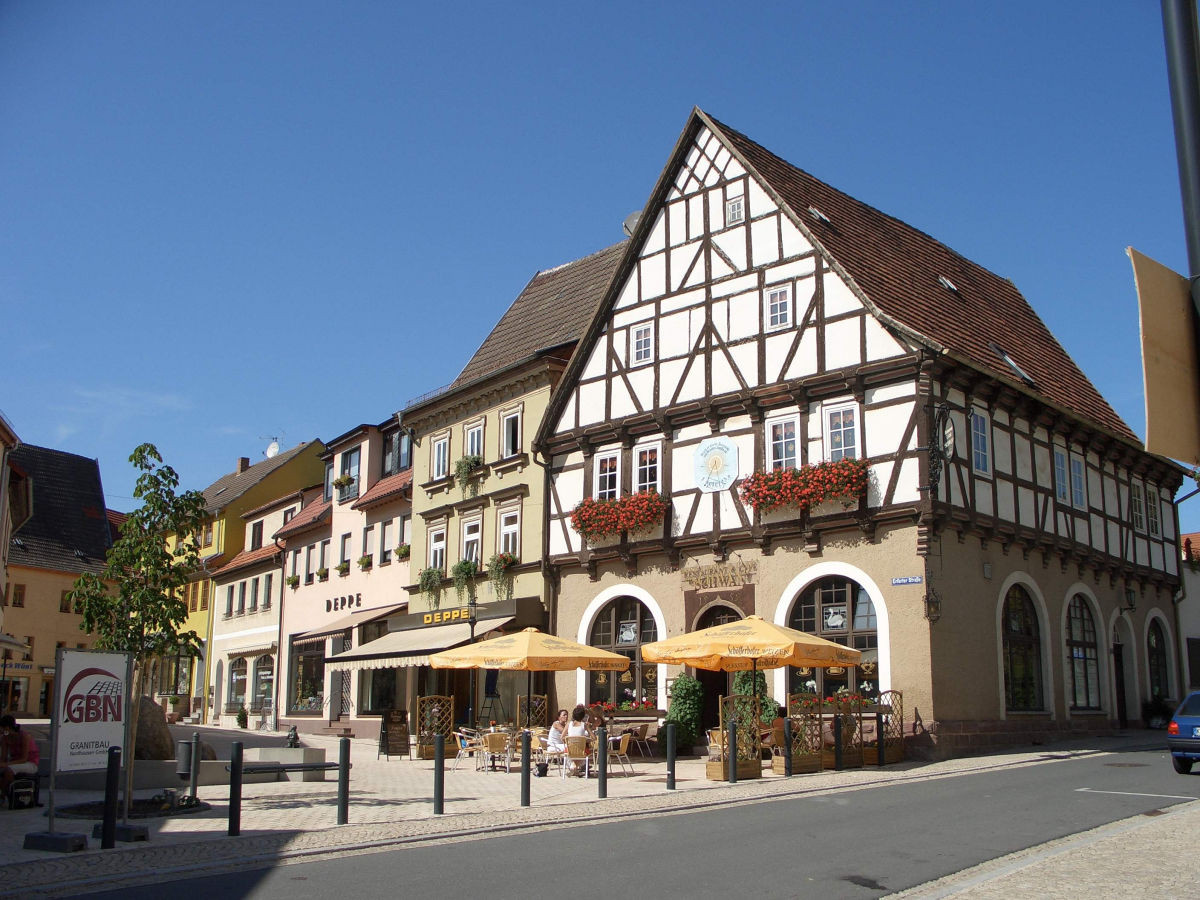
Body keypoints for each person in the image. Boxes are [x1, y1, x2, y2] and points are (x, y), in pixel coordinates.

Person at [0, 715, 39, 794]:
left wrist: (6, 764)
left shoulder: (24, 736)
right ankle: (9, 792)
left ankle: (6, 793)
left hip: (30, 763)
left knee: (8, 770)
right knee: (6, 770)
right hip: (14, 762)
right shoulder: (4, 738)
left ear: (7, 728)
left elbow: (24, 759)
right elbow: (3, 757)